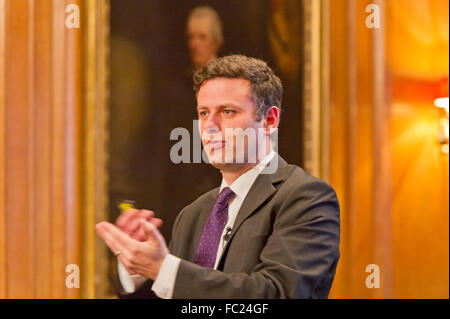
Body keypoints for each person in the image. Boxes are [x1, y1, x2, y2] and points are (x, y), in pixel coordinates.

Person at [96, 55, 340, 299]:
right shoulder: (192, 215)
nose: (210, 126)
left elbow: (276, 293)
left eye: (227, 111)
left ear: (269, 120)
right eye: (203, 113)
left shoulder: (307, 199)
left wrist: (162, 268)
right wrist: (139, 272)